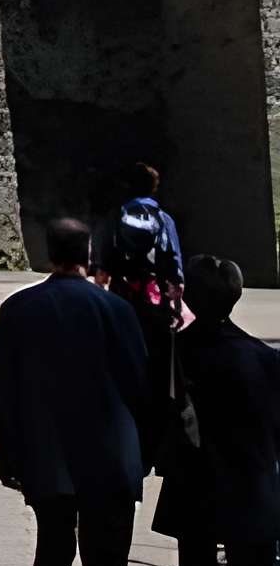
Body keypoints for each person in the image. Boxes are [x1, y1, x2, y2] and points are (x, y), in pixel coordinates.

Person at [0, 215, 154, 566]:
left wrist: (12, 457)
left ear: (48, 253)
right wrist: (144, 453)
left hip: (50, 457)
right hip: (109, 457)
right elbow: (139, 388)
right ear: (88, 254)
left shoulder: (19, 310)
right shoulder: (116, 311)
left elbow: (8, 393)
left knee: (53, 557)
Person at [155, 255, 280, 566]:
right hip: (252, 488)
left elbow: (160, 417)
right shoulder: (265, 359)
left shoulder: (176, 352)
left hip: (195, 489)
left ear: (189, 297)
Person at [106, 164, 191, 411]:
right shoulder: (163, 219)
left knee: (122, 345)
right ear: (154, 188)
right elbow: (173, 257)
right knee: (158, 352)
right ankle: (159, 403)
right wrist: (176, 290)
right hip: (154, 296)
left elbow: (107, 254)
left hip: (123, 291)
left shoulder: (117, 216)